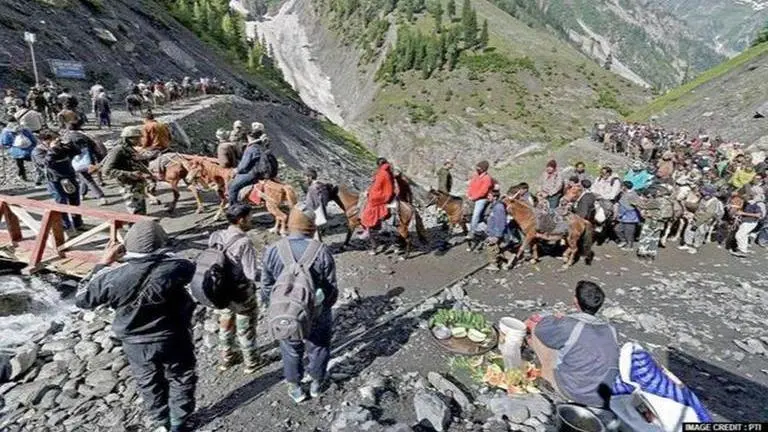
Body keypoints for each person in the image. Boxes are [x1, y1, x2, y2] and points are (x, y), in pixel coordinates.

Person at [75, 220, 197, 432]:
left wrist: (102, 263)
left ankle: (161, 423)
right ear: (162, 241)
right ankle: (179, 422)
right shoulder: (179, 267)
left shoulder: (111, 277)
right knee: (182, 376)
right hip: (173, 334)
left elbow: (82, 299)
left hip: (135, 341)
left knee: (148, 382)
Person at [261, 207, 338, 403]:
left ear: (289, 225)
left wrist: (275, 305)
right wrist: (326, 306)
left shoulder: (273, 249)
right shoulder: (321, 251)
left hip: (286, 311)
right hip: (316, 310)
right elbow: (331, 288)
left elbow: (267, 285)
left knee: (290, 346)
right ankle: (316, 383)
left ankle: (295, 387)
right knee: (319, 345)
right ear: (311, 228)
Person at [526, 281, 618, 407]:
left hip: (573, 392)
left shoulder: (571, 325)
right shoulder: (611, 329)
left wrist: (557, 319)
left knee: (537, 327)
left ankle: (546, 378)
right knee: (572, 346)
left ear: (576, 301)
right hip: (601, 396)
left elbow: (541, 329)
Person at [209, 204, 265, 373]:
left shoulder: (217, 235)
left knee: (225, 324)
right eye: (250, 217)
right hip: (240, 293)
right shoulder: (244, 242)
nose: (252, 220)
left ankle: (227, 358)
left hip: (220, 290)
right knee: (245, 326)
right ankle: (252, 362)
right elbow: (251, 274)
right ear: (241, 220)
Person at [33, 131, 83, 234]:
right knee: (61, 202)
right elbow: (45, 163)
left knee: (74, 200)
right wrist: (52, 149)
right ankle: (66, 226)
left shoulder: (61, 147)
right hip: (54, 179)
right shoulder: (38, 151)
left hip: (69, 176)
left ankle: (78, 223)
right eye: (51, 140)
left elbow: (78, 152)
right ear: (44, 141)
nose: (56, 142)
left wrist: (70, 144)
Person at [102, 126, 152, 214]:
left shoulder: (130, 150)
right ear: (127, 139)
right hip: (129, 187)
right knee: (134, 213)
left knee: (141, 212)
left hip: (137, 186)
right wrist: (130, 174)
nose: (138, 140)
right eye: (136, 138)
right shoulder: (118, 150)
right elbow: (107, 170)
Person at [61, 122, 108, 205]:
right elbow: (94, 146)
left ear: (68, 128)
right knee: (84, 176)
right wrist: (97, 160)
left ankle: (101, 197)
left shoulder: (67, 137)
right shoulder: (84, 135)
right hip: (88, 160)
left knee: (88, 179)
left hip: (77, 161)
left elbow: (65, 150)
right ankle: (82, 193)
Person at [680, 186, 722, 254]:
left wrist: (697, 224)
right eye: (702, 194)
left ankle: (695, 247)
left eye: (705, 194)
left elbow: (708, 214)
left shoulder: (713, 202)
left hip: (704, 221)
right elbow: (698, 206)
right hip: (696, 217)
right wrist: (687, 203)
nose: (703, 195)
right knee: (689, 231)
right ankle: (687, 244)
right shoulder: (703, 199)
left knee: (699, 234)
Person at [360, 158, 396, 238]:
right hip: (388, 194)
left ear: (379, 165)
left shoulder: (382, 173)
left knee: (367, 207)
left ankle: (368, 228)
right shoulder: (388, 171)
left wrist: (368, 192)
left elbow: (376, 186)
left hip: (381, 196)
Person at [228, 131, 265, 206]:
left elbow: (243, 166)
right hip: (261, 172)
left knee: (232, 187)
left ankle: (234, 208)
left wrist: (236, 170)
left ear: (250, 138)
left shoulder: (251, 149)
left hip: (252, 173)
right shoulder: (261, 146)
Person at [0, 117, 38, 183]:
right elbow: (33, 139)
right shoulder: (24, 128)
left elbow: (4, 142)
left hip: (16, 151)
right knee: (36, 162)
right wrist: (34, 145)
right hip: (30, 150)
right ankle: (39, 175)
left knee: (20, 163)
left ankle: (22, 176)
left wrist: (9, 147)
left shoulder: (6, 131)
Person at [485, 185, 514, 271]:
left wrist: (497, 236)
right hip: (493, 231)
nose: (487, 197)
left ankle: (494, 265)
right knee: (500, 247)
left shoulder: (498, 207)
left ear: (494, 197)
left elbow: (501, 223)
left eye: (489, 196)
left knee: (491, 247)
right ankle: (511, 257)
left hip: (497, 233)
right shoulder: (493, 206)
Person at [466, 160, 494, 241]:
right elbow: (471, 185)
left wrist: (474, 197)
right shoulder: (476, 175)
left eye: (479, 168)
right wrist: (468, 193)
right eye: (477, 168)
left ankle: (471, 232)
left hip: (481, 199)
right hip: (472, 197)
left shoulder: (487, 178)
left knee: (476, 214)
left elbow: (483, 191)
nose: (477, 169)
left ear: (483, 169)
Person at [732, 192, 764, 257]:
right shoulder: (746, 204)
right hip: (747, 222)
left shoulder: (754, 205)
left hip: (750, 222)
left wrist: (743, 213)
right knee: (744, 235)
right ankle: (743, 249)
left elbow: (758, 215)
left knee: (739, 235)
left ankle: (743, 251)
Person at [304, 168, 331, 241]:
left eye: (306, 177)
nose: (305, 179)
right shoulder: (321, 185)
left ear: (310, 177)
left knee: (314, 229)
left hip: (315, 211)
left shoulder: (312, 188)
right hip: (322, 209)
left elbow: (311, 203)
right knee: (316, 230)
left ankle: (318, 244)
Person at [615, 181, 640, 250]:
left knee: (629, 233)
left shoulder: (628, 195)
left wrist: (619, 215)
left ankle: (629, 246)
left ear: (625, 187)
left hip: (630, 218)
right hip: (626, 217)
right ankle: (623, 241)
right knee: (617, 229)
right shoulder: (632, 193)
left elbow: (624, 207)